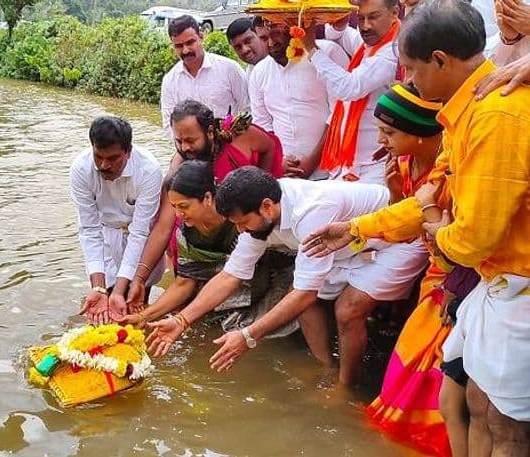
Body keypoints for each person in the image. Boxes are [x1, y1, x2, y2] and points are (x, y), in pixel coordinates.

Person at [307, 1, 530, 453]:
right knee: (476, 401)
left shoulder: (497, 117)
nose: (409, 82)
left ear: (441, 61)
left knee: (505, 425)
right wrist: (356, 228)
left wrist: (436, 233)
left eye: (411, 70)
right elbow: (428, 200)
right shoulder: (467, 112)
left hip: (515, 288)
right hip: (494, 285)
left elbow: (470, 241)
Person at [145, 168, 427, 385]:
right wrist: (181, 320)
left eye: (243, 223)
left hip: (395, 241)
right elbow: (230, 275)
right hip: (346, 250)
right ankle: (325, 366)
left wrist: (248, 336)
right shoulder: (259, 216)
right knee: (302, 293)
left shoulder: (310, 213)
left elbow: (305, 294)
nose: (241, 231)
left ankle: (345, 386)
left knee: (347, 310)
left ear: (267, 207)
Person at [303, 83, 459, 456]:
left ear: (420, 135)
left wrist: (359, 229)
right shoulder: (402, 164)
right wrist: (394, 191)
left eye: (389, 132)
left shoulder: (450, 171)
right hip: (424, 257)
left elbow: (432, 229)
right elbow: (405, 221)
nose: (382, 140)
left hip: (454, 273)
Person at [126, 100, 283, 310]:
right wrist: (139, 278)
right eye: (179, 141)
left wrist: (266, 181)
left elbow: (270, 146)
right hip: (201, 239)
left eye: (191, 140)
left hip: (242, 230)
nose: (185, 148)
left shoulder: (241, 137)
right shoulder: (180, 166)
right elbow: (164, 226)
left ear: (210, 132)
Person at [120, 161, 297, 336]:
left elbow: (235, 273)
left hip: (268, 283)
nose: (178, 215)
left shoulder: (241, 220)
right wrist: (144, 317)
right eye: (174, 207)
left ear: (207, 198)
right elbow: (185, 281)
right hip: (222, 291)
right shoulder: (186, 233)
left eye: (184, 206)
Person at [69, 116, 164, 325]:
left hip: (141, 238)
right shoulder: (80, 169)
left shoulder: (149, 171)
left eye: (113, 159)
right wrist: (99, 288)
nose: (104, 165)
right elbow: (89, 229)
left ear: (128, 152)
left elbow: (140, 232)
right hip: (105, 234)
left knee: (134, 302)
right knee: (102, 306)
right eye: (98, 157)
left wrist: (121, 291)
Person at [303, 0, 402, 183]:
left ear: (395, 12)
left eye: (373, 17)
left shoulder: (392, 52)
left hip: (375, 167)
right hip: (349, 165)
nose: (365, 26)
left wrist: (312, 49)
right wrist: (339, 26)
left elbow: (349, 88)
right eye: (360, 18)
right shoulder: (370, 44)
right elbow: (340, 36)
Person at [249, 21, 349, 179]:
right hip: (285, 176)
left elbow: (341, 112)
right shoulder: (259, 72)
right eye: (263, 38)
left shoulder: (326, 53)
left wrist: (312, 162)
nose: (271, 43)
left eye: (276, 34)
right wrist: (278, 160)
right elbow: (262, 124)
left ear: (291, 29)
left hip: (332, 172)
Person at [161, 15, 249, 137]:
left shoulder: (229, 69)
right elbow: (169, 126)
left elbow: (249, 109)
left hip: (230, 146)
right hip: (191, 152)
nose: (186, 50)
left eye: (190, 42)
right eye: (179, 46)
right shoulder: (170, 81)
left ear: (201, 37)